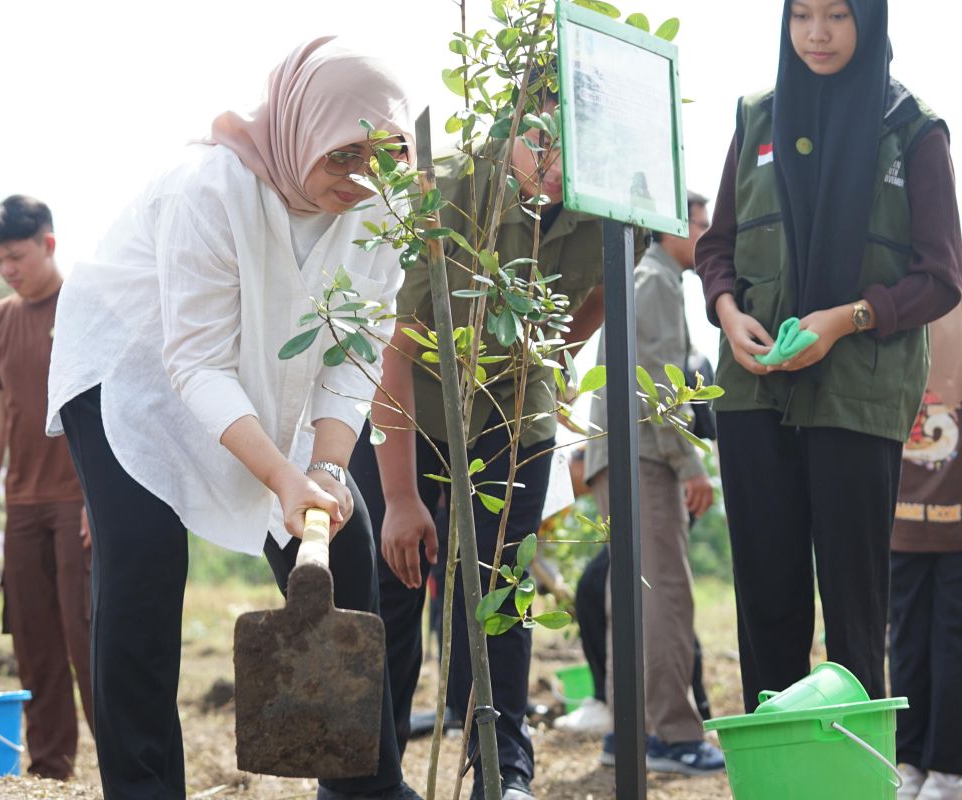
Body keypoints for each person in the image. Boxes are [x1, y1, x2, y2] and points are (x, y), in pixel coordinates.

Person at [46, 38, 420, 800]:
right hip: (135, 367)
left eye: (384, 156)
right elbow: (195, 364)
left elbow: (358, 348)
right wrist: (280, 474)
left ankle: (364, 786)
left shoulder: (387, 208)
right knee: (144, 565)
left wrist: (322, 468)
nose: (364, 179)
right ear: (302, 131)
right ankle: (144, 789)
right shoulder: (208, 192)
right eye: (345, 156)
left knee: (340, 542)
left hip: (273, 363)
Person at [348, 79, 646, 800]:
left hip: (513, 413)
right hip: (409, 413)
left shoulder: (604, 204)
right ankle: (370, 779)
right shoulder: (448, 189)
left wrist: (539, 356)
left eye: (575, 145)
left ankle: (502, 768)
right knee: (393, 586)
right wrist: (398, 498)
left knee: (499, 588)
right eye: (542, 137)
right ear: (514, 117)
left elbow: (595, 299)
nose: (554, 162)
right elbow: (396, 346)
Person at [696, 0, 962, 712]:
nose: (816, 33)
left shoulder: (913, 129)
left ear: (869, 22)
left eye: (838, 15)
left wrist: (847, 320)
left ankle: (853, 779)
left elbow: (941, 276)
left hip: (857, 398)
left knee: (854, 615)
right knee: (767, 608)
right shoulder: (757, 115)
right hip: (754, 393)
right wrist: (729, 316)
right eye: (802, 15)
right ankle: (777, 781)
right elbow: (715, 248)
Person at [584, 192, 724, 774]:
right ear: (670, 227)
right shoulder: (660, 281)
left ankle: (630, 733)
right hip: (643, 455)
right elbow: (661, 384)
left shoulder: (640, 278)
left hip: (617, 455)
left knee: (632, 597)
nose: (709, 234)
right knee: (665, 592)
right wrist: (689, 464)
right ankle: (670, 734)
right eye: (701, 224)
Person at [0, 196, 94, 781]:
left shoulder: (87, 307)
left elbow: (115, 409)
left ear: (48, 243)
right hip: (21, 506)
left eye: (16, 257)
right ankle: (50, 770)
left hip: (81, 501)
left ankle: (128, 768)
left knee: (88, 639)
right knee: (35, 646)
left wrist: (103, 499)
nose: (8, 270)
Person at [889, 306, 962, 800]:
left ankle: (949, 767)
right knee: (907, 638)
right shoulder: (899, 305)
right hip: (900, 509)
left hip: (956, 513)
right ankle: (911, 759)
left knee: (953, 639)